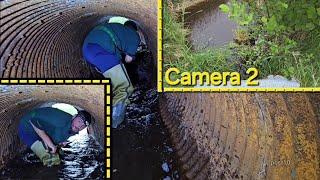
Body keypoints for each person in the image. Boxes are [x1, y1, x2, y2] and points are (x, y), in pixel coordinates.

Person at [82, 16, 146, 128]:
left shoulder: (119, 29)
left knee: (117, 85)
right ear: (137, 30)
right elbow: (128, 60)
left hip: (88, 51)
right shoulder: (134, 36)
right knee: (124, 87)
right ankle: (114, 122)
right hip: (100, 51)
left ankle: (111, 109)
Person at [18, 107, 92, 167]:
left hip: (42, 129)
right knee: (49, 159)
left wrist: (59, 143)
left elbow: (57, 133)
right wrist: (51, 145)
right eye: (79, 121)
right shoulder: (62, 119)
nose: (79, 126)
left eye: (83, 125)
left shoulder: (73, 128)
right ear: (74, 116)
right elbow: (33, 121)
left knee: (57, 155)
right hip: (27, 127)